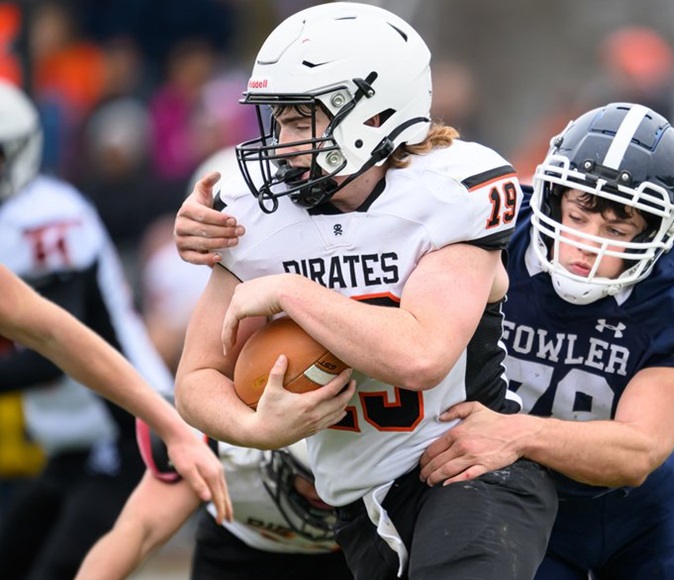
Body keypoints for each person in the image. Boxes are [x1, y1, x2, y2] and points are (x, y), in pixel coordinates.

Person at [175, 102, 674, 578]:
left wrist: (517, 433)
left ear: (663, 231)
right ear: (551, 191)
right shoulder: (487, 220)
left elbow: (641, 451)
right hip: (507, 493)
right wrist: (214, 227)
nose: (589, 243)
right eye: (580, 215)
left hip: (636, 510)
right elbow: (369, 203)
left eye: (619, 228)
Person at [172, 3, 557, 579]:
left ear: (375, 115)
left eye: (303, 121)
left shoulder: (447, 192)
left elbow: (420, 355)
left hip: (468, 469)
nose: (283, 142)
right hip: (354, 499)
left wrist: (289, 291)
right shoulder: (257, 214)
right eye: (278, 122)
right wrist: (256, 429)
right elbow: (197, 379)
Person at [0, 79, 230, 579]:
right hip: (70, 442)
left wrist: (169, 427)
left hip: (124, 426)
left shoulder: (43, 218)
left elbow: (50, 345)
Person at [76, 421, 351, 580]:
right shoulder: (222, 444)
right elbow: (140, 530)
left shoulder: (389, 455)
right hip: (241, 552)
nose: (323, 490)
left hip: (350, 558)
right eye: (310, 478)